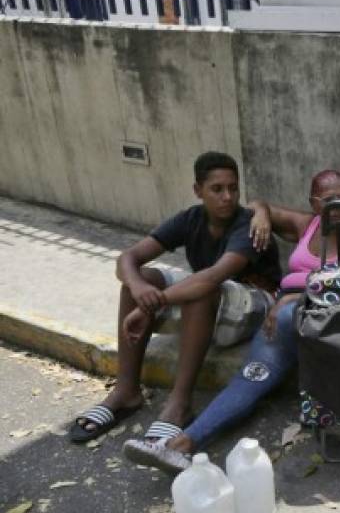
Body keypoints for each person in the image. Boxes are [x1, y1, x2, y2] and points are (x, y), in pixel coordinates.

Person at [121, 171, 340, 472]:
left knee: (278, 336)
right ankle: (180, 446)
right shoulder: (306, 224)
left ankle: (181, 444)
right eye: (331, 199)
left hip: (319, 318)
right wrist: (263, 217)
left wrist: (291, 299)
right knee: (250, 378)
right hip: (281, 322)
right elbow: (257, 204)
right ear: (315, 203)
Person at [70, 152, 282, 444]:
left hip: (259, 305)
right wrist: (138, 287)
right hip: (217, 300)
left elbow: (212, 277)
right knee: (143, 279)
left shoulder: (246, 224)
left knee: (200, 289)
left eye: (233, 188)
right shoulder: (191, 218)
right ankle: (126, 390)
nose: (227, 197)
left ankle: (179, 404)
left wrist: (152, 306)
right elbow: (129, 257)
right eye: (217, 189)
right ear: (198, 191)